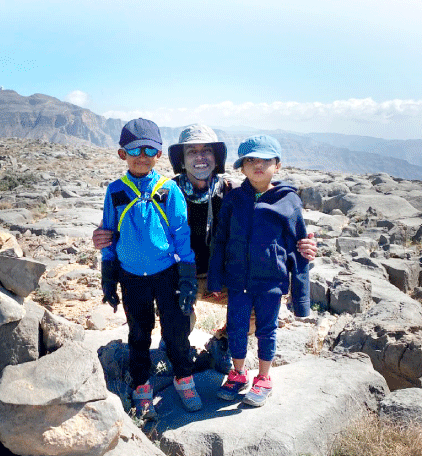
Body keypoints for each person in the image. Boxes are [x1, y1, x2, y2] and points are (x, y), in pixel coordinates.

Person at [93, 124, 316, 371]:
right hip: (177, 277)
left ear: (216, 158)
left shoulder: (231, 194)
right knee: (178, 322)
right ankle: (175, 342)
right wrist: (103, 235)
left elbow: (267, 221)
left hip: (221, 279)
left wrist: (301, 245)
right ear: (182, 160)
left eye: (206, 151)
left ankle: (223, 342)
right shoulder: (165, 191)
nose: (200, 157)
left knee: (255, 310)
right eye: (192, 152)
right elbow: (124, 224)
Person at [99, 118, 202, 419]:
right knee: (139, 332)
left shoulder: (168, 190)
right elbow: (108, 233)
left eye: (149, 149)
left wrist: (187, 275)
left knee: (176, 329)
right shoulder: (115, 191)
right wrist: (108, 277)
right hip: (131, 277)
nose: (142, 156)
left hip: (166, 273)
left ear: (158, 153)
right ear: (123, 154)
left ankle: (184, 377)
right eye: (134, 150)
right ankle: (142, 385)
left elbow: (181, 234)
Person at [208, 134, 311, 407]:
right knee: (238, 328)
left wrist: (301, 301)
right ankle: (238, 374)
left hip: (271, 283)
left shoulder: (288, 202)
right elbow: (220, 240)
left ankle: (264, 378)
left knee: (267, 330)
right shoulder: (233, 200)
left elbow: (300, 251)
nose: (258, 165)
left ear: (277, 166)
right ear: (241, 167)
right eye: (251, 160)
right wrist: (216, 279)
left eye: (265, 160)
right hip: (238, 281)